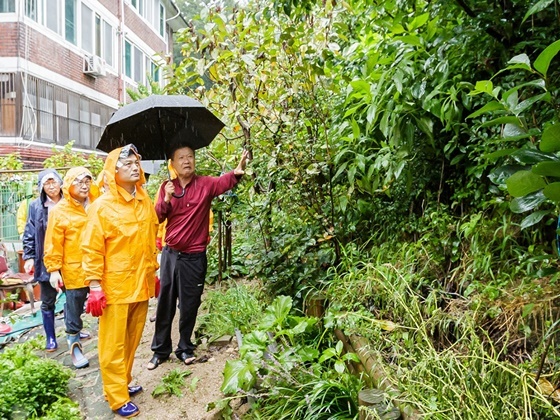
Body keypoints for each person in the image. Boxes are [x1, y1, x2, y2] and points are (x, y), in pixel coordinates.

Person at [147, 144, 248, 370]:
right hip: (171, 255)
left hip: (194, 257)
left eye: (190, 157)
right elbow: (158, 217)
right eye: (181, 157)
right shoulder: (167, 186)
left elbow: (225, 182)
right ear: (172, 164)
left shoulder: (205, 184)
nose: (187, 161)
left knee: (190, 304)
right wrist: (166, 199)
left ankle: (184, 348)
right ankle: (160, 350)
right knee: (165, 304)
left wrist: (237, 172)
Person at [81, 144, 158, 418]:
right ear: (113, 172)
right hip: (114, 288)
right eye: (128, 164)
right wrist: (94, 286)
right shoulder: (101, 208)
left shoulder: (144, 201)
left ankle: (123, 382)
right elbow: (91, 247)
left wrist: (153, 272)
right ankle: (116, 397)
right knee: (113, 345)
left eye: (137, 163)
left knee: (132, 339)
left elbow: (150, 239)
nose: (135, 167)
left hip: (140, 283)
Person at [43, 167, 97, 369]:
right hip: (74, 270)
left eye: (87, 181)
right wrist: (54, 270)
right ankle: (74, 346)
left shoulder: (97, 204)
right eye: (79, 182)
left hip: (99, 267)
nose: (84, 185)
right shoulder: (59, 211)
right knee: (74, 308)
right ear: (68, 185)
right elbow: (52, 243)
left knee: (105, 305)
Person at [22, 169, 63, 352]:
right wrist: (29, 256)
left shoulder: (70, 202)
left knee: (73, 297)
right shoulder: (36, 206)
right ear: (41, 187)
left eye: (54, 181)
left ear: (61, 183)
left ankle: (74, 330)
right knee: (48, 301)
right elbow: (29, 232)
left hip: (69, 258)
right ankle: (51, 338)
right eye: (47, 183)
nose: (52, 186)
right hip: (46, 259)